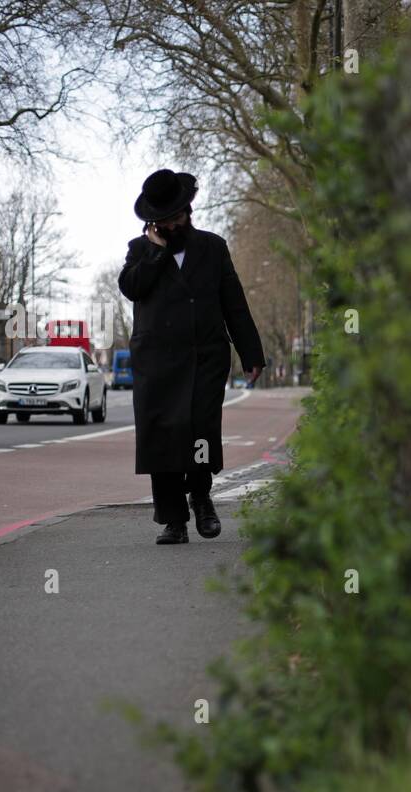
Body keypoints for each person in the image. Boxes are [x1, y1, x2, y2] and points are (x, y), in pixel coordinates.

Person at [117, 169, 264, 544]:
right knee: (162, 437)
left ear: (188, 211)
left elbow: (234, 302)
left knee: (200, 431)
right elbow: (131, 288)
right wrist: (155, 252)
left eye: (176, 217)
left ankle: (201, 497)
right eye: (162, 221)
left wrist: (251, 352)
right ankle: (173, 520)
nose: (170, 225)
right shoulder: (140, 250)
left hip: (205, 357)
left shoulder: (213, 247)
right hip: (156, 362)